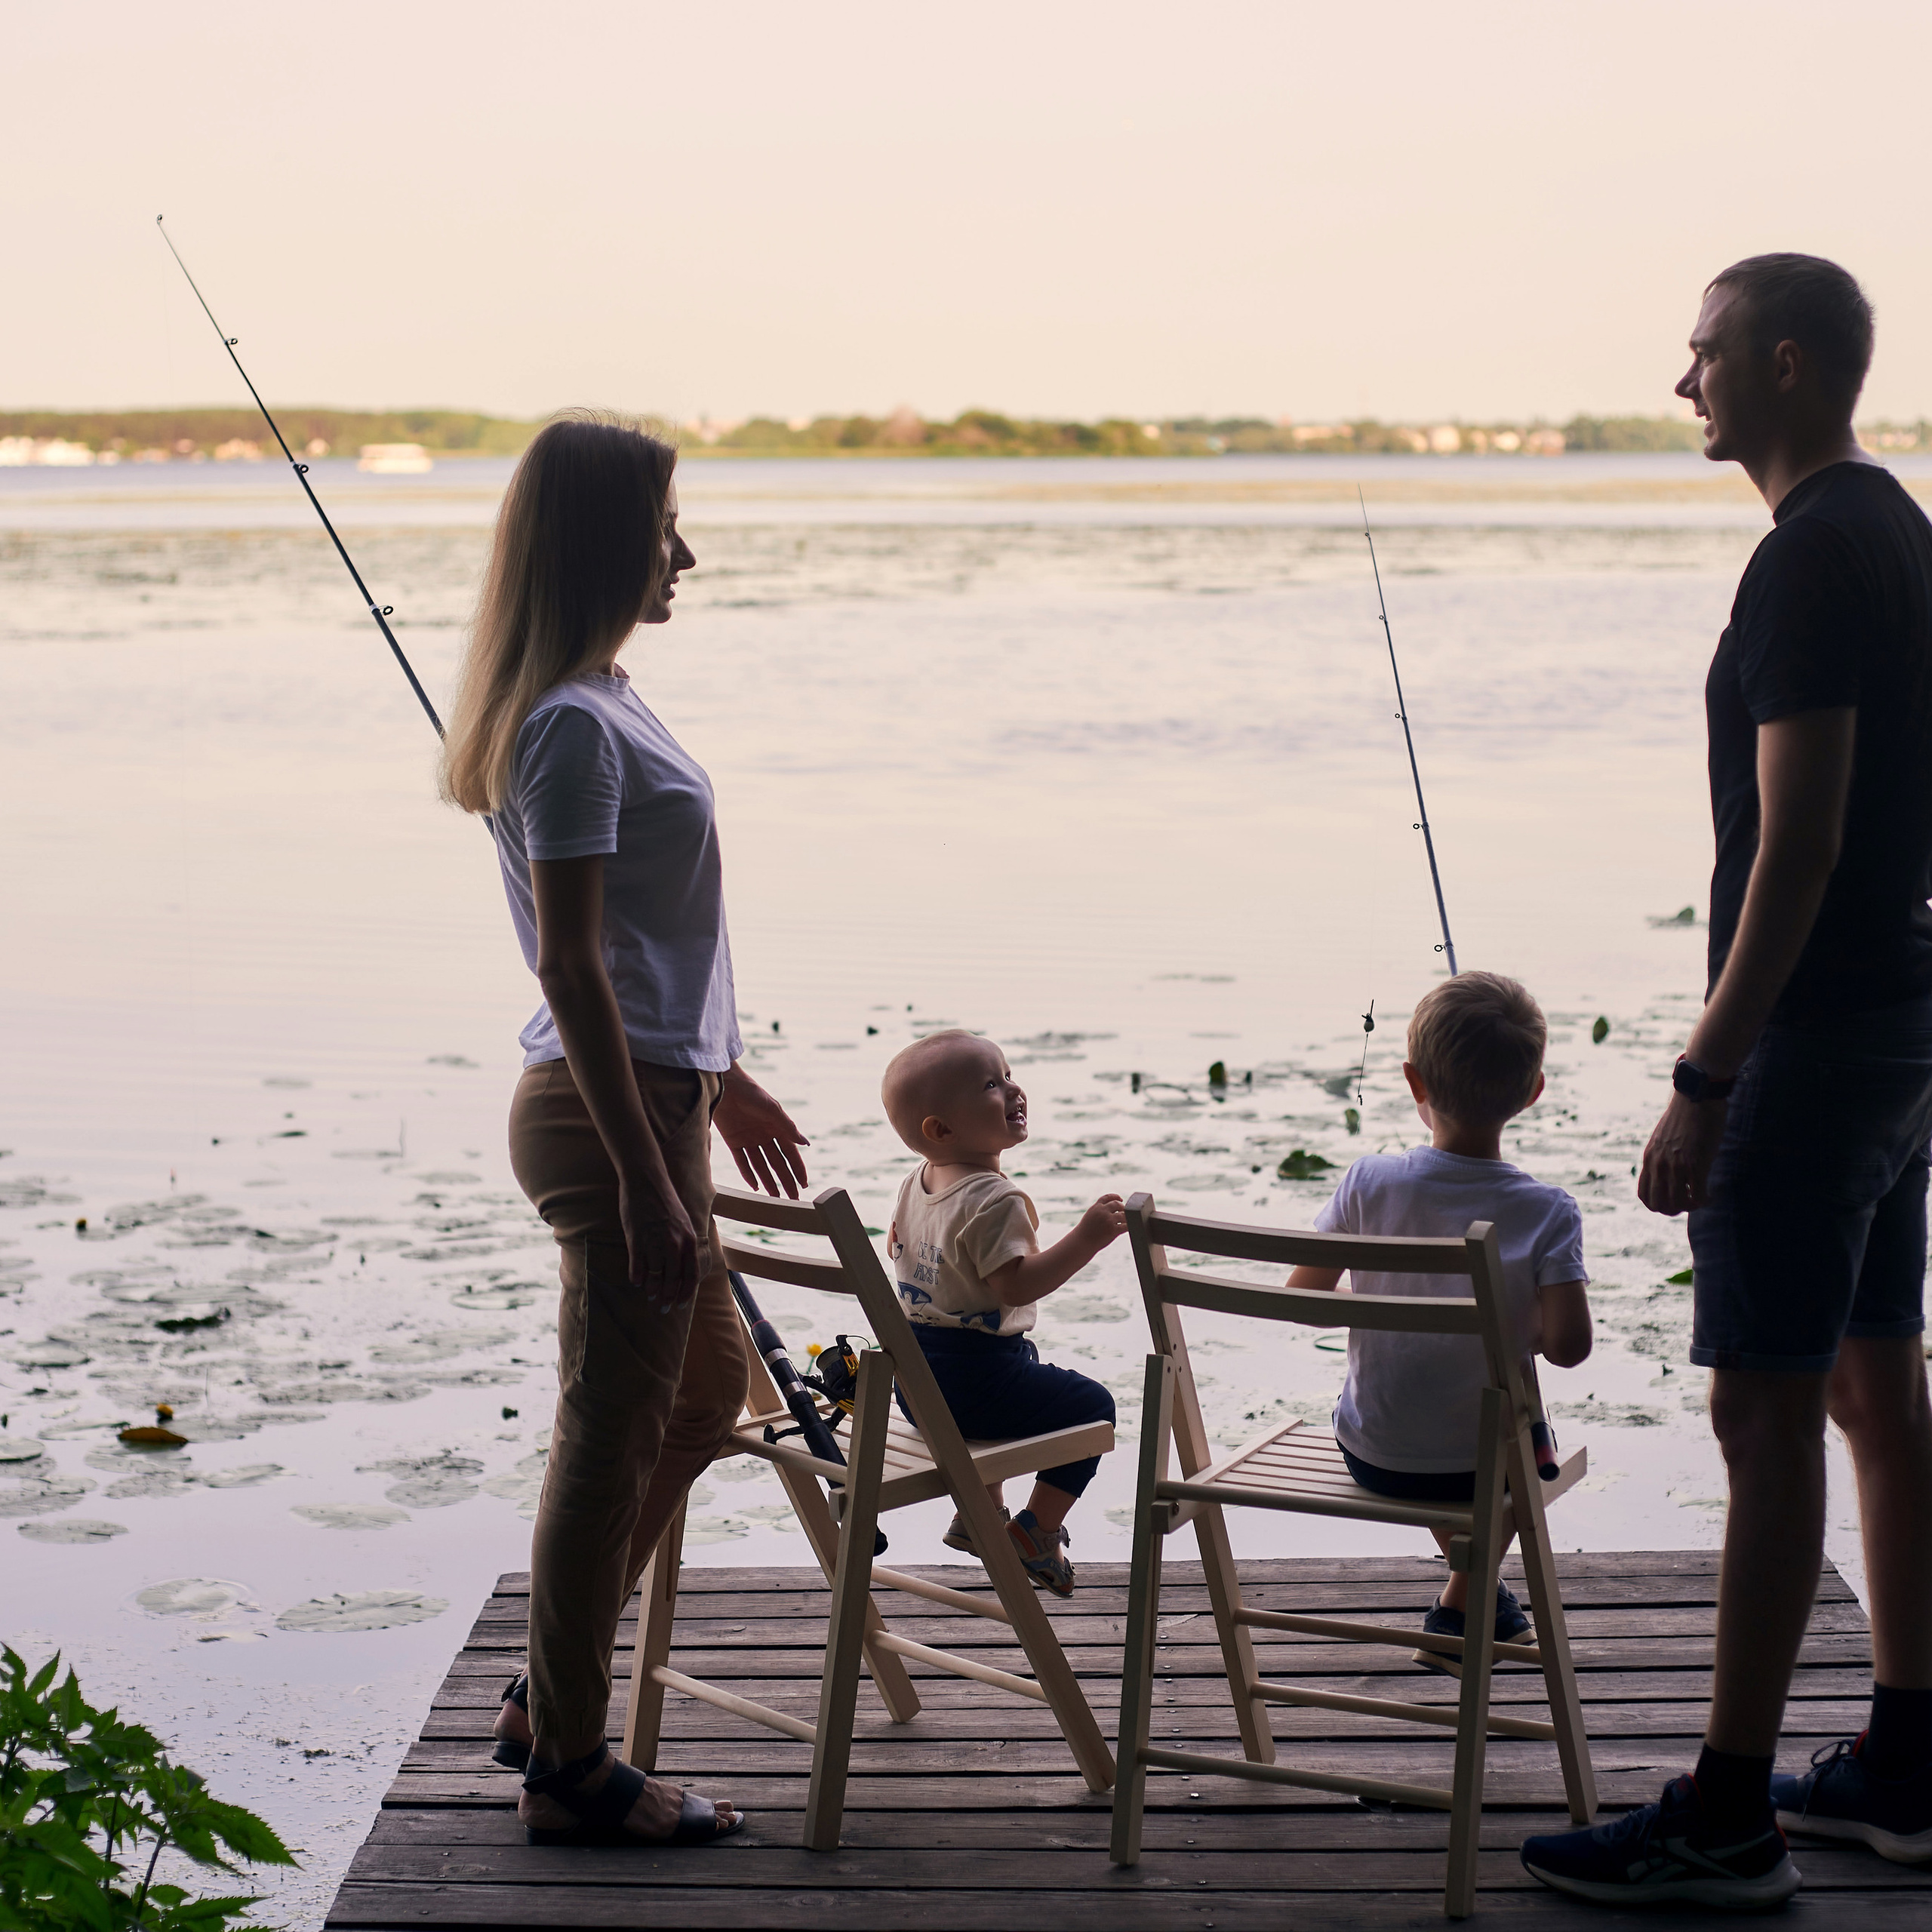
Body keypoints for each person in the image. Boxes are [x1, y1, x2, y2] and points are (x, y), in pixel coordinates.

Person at [1523, 255, 1932, 1909]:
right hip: (1902, 1024)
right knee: (1871, 1385)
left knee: (1757, 1412)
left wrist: (1704, 1065)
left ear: (1776, 363)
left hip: (1813, 1039)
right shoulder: (1897, 527)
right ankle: (1907, 1755)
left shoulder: (1803, 560)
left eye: (1698, 354)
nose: (1678, 381)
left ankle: (1722, 1813)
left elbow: (1797, 840)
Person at [438, 414, 811, 1848]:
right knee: (609, 1436)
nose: (687, 553)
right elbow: (574, 964)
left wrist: (732, 1070)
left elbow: (660, 942)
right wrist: (660, 1173)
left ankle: (550, 1693)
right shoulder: (572, 727)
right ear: (605, 542)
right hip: (614, 1123)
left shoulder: (609, 694)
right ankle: (572, 1770)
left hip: (666, 1092)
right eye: (665, 530)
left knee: (705, 1396)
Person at [1286, 973, 1592, 1662]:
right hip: (1480, 1472)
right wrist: (1516, 1320)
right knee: (1517, 1431)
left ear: (1414, 1082)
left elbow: (1305, 1297)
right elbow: (1570, 1349)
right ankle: (1466, 1597)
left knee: (1445, 1410)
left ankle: (1468, 1597)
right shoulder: (1547, 1211)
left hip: (1373, 1454)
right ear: (1534, 1092)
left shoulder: (1367, 1180)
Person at [880, 1030, 1124, 1594]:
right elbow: (1017, 1286)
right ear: (940, 1129)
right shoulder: (995, 1199)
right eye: (991, 1085)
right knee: (1092, 1406)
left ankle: (981, 1516)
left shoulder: (915, 1186)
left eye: (1008, 1074)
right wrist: (1086, 1239)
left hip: (919, 1392)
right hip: (975, 1389)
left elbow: (899, 1252)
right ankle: (1037, 1531)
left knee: (1021, 1361)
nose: (1014, 1090)